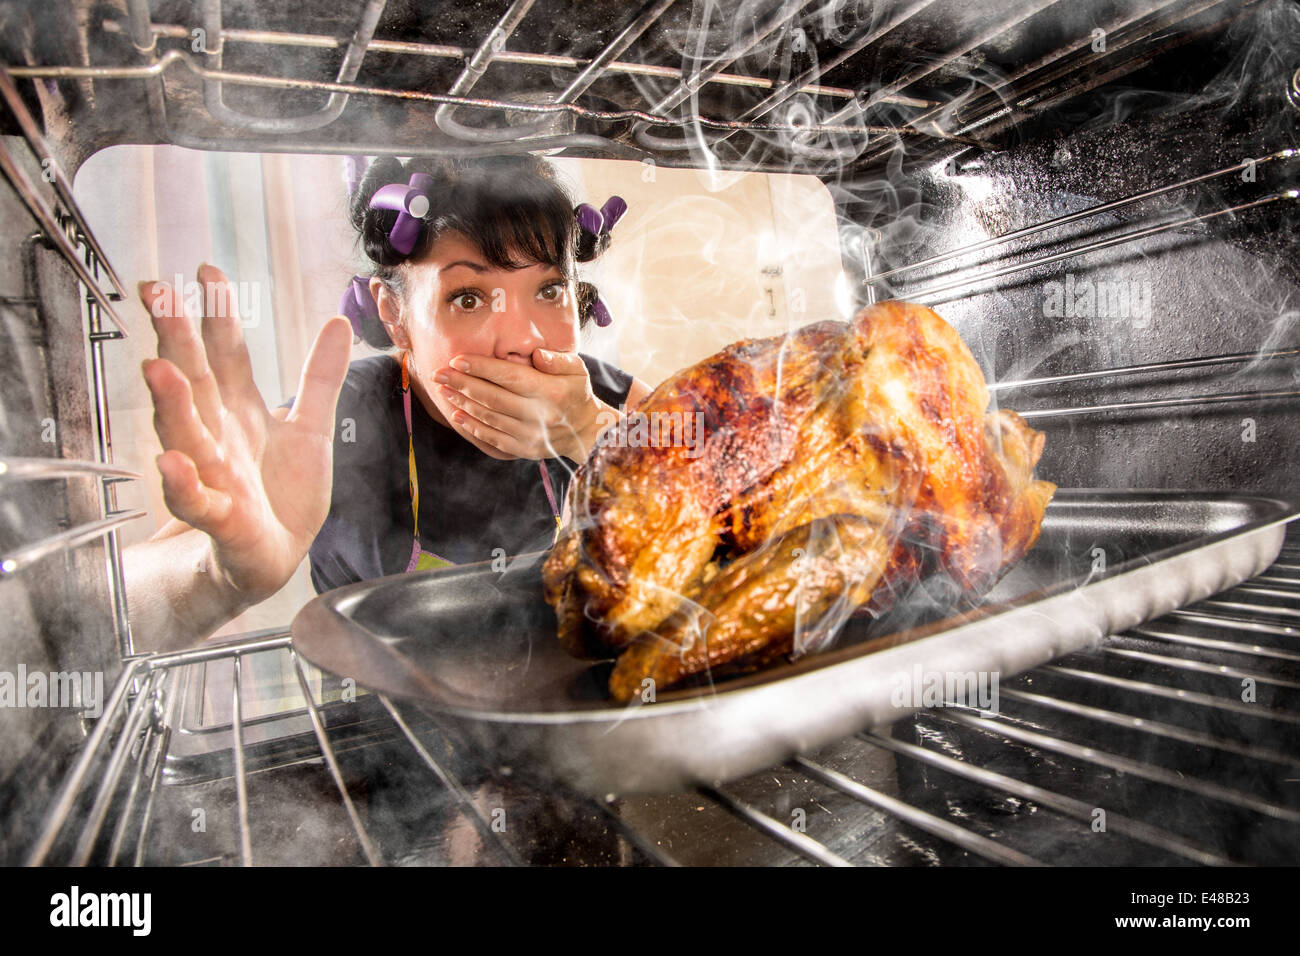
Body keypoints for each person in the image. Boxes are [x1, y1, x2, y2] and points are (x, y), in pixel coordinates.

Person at [122, 153, 651, 653]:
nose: (525, 339)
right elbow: (118, 613)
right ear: (394, 314)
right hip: (376, 739)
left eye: (550, 290)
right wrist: (220, 575)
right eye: (467, 297)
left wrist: (600, 438)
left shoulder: (611, 403)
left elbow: (727, 550)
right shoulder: (329, 424)